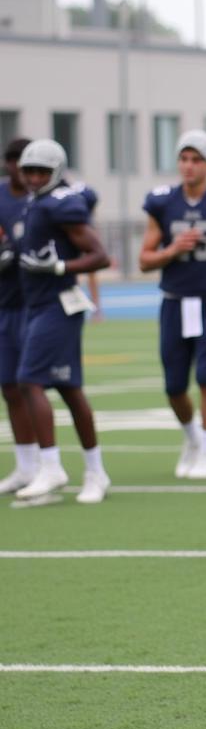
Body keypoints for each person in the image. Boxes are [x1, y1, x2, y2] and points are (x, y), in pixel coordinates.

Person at [139, 129, 206, 480]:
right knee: (173, 386)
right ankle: (193, 439)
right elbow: (144, 259)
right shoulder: (161, 202)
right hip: (173, 301)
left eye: (196, 159)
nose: (188, 166)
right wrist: (172, 250)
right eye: (184, 159)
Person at [13, 139, 112, 504]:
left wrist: (59, 267)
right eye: (30, 171)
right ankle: (96, 471)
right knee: (70, 390)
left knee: (29, 380)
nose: (36, 178)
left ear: (56, 172)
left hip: (57, 305)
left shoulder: (60, 203)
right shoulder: (34, 203)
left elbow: (100, 255)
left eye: (42, 171)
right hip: (41, 305)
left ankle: (51, 465)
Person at [0, 137, 35, 493]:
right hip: (5, 301)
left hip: (37, 304)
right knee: (9, 385)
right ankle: (25, 465)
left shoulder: (48, 198)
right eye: (14, 162)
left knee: (32, 384)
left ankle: (47, 461)